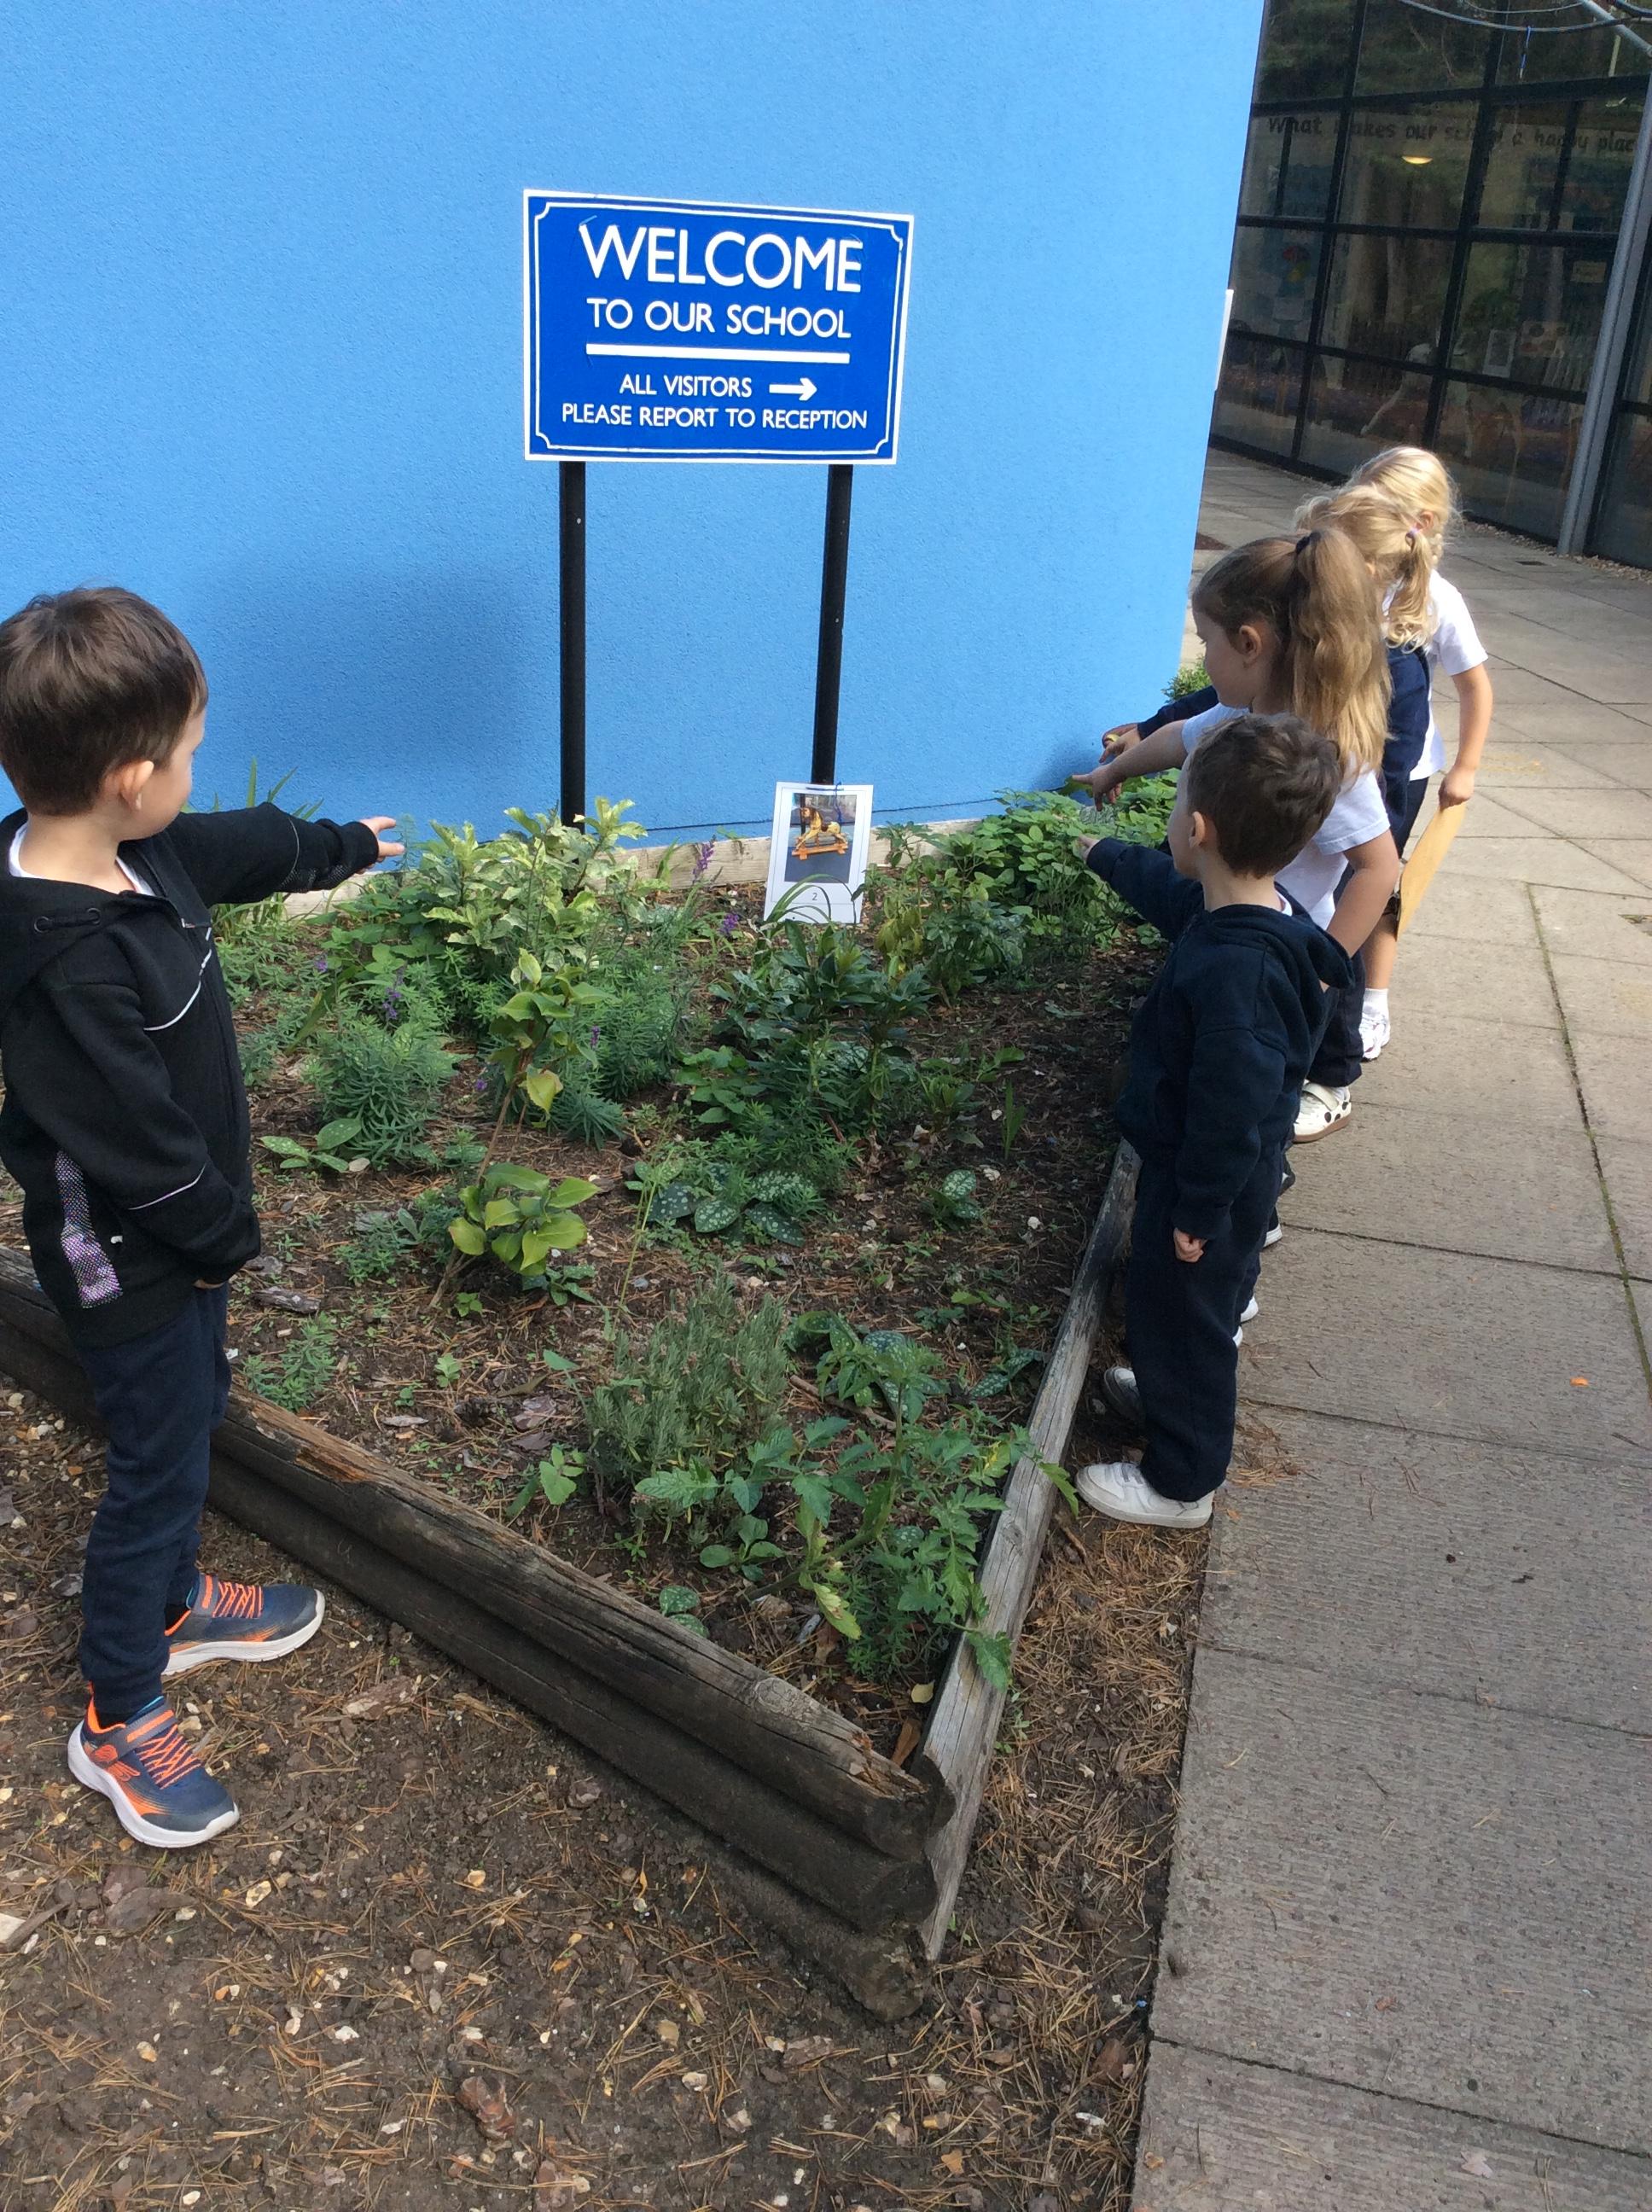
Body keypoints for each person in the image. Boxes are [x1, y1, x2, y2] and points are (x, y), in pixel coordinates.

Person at [0, 586, 401, 1848]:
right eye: (189, 752)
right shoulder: (69, 965)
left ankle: (175, 1602)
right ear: (132, 780)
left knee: (191, 1405)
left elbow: (233, 846)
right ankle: (119, 1708)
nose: (197, 772)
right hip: (126, 1257)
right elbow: (144, 1156)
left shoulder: (127, 848)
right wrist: (226, 1243)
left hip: (172, 1242)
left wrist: (338, 846)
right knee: (158, 1464)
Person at [1071, 714, 1352, 1527]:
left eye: (1174, 804)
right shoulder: (1252, 915)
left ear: (1196, 829)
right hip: (1213, 1173)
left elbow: (1233, 1109)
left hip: (1209, 1183)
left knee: (1184, 1315)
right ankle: (1172, 1393)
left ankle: (1182, 1482)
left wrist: (1198, 1208)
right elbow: (1168, 890)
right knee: (1185, 1310)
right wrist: (1102, 854)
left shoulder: (1239, 974)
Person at [1073, 529, 1399, 1144]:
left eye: (1206, 642)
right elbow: (1178, 738)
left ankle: (1267, 1155)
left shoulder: (1321, 754)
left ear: (1249, 644)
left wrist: (1318, 973)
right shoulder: (1240, 715)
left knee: (1253, 1089)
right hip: (1226, 923)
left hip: (1282, 952)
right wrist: (1116, 770)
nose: (1202, 659)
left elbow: (1379, 867)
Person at [1346, 445, 1492, 1061]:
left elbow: (1475, 687)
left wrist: (1465, 767)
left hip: (1400, 771)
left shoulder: (1437, 599)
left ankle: (1372, 1003)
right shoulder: (1346, 578)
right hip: (1339, 758)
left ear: (1421, 523)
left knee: (1379, 881)